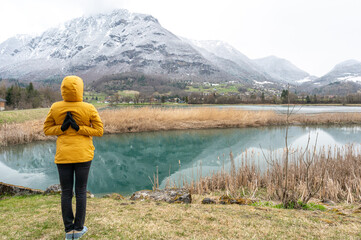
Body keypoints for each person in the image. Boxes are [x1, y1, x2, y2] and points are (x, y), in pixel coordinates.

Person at [43, 75, 103, 239]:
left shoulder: (55, 107)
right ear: (80, 89)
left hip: (63, 156)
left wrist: (63, 128)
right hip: (83, 155)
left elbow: (47, 130)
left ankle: (69, 231)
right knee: (81, 191)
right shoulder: (88, 107)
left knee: (66, 192)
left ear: (63, 89)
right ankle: (79, 229)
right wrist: (81, 128)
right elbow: (99, 131)